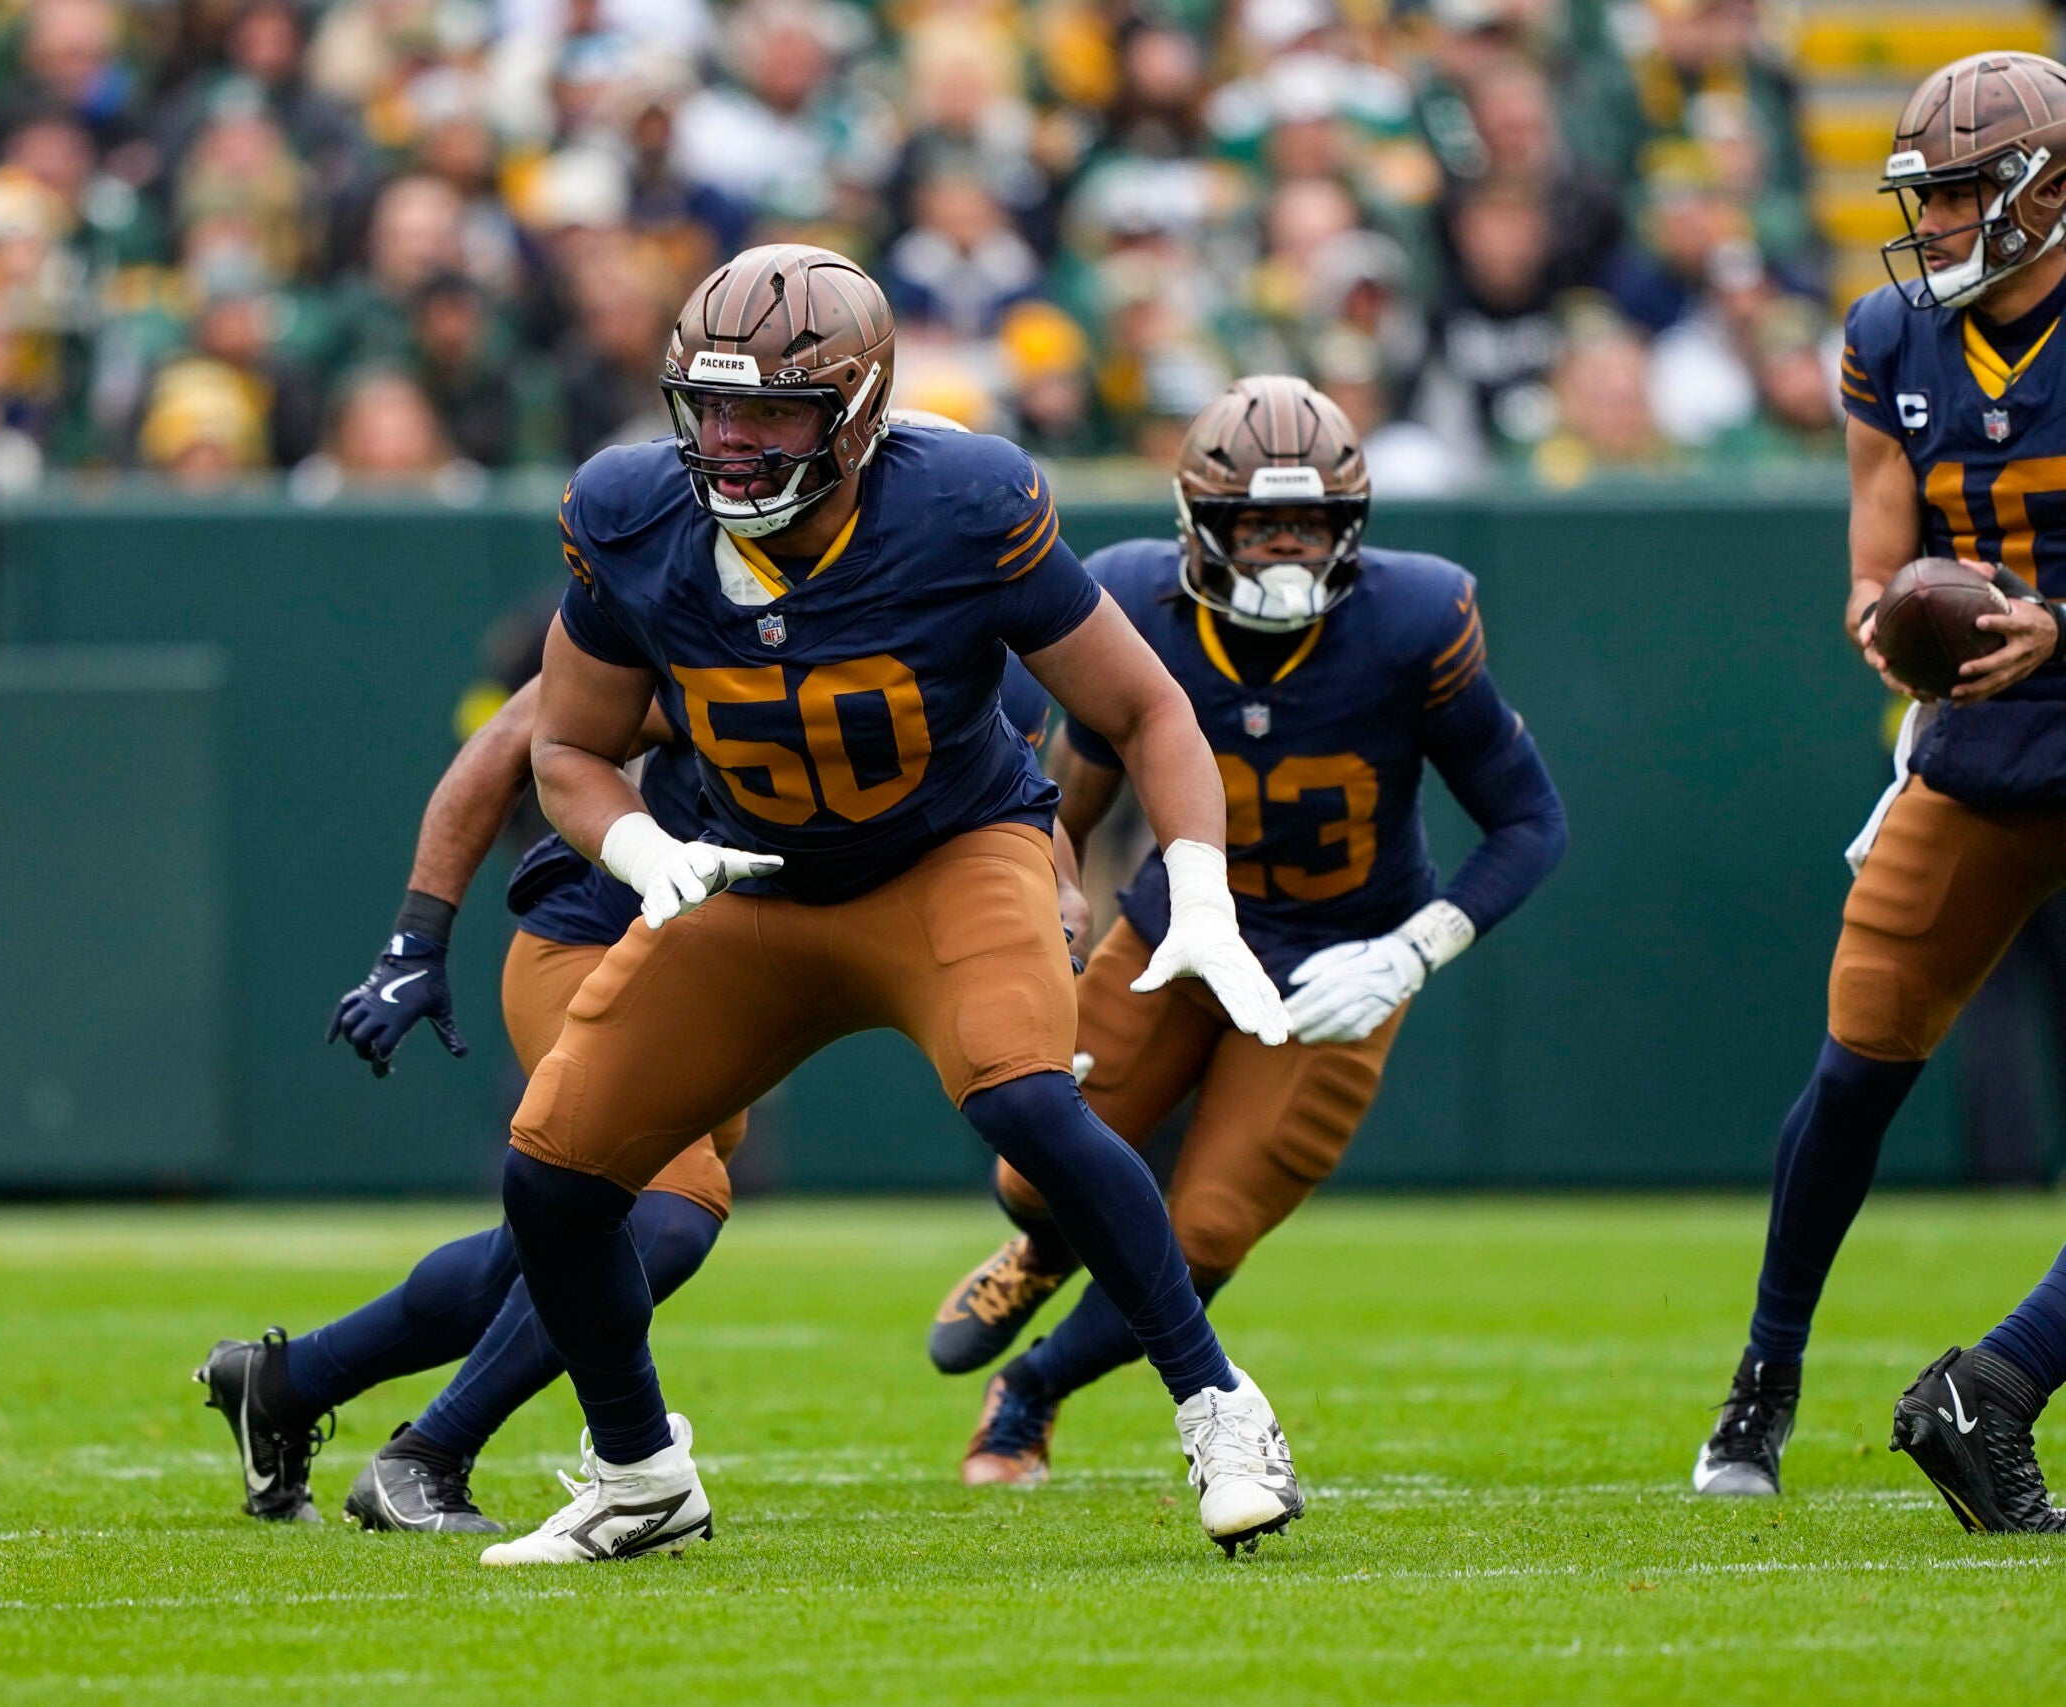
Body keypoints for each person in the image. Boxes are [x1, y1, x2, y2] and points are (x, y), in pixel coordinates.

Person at [478, 242, 1301, 1568]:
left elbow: (1147, 707)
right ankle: (639, 1474)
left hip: (946, 855)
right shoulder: (630, 511)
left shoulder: (963, 502)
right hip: (750, 873)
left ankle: (1220, 1405)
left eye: (772, 415)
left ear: (857, 411)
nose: (731, 443)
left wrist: (1199, 886)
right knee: (553, 1176)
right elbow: (566, 746)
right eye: (711, 408)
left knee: (1027, 1103)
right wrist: (635, 844)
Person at [198, 441, 1059, 1528]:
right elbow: (513, 745)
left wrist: (1054, 912)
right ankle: (429, 1453)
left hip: (731, 967)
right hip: (604, 933)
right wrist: (416, 939)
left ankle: (285, 1384)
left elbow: (1015, 807)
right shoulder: (716, 606)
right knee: (667, 1217)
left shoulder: (988, 633)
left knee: (541, 1251)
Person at [924, 376, 1566, 1481]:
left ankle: (1030, 1389)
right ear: (1196, 523)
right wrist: (1050, 903)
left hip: (1340, 963)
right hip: (1176, 934)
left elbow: (1529, 820)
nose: (1284, 549)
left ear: (1352, 525)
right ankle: (1039, 1247)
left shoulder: (1416, 619)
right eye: (1256, 524)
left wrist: (1413, 949)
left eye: (1310, 524)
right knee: (1035, 1160)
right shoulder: (1131, 597)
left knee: (1209, 1228)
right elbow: (1061, 800)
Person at [1689, 52, 2066, 1532]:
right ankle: (1764, 1377)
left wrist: (2060, 625)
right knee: (1856, 1069)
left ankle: (1999, 1383)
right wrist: (1885, 618)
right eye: (1935, 194)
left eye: (1969, 191)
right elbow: (1875, 556)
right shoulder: (1891, 334)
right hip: (1976, 745)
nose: (1942, 220)